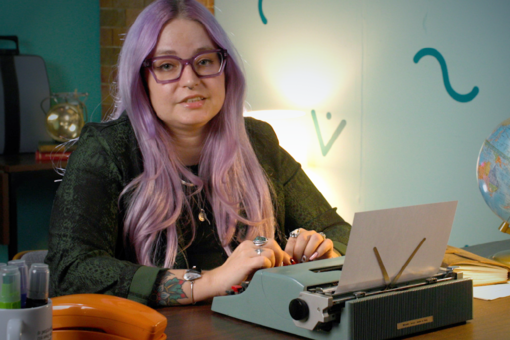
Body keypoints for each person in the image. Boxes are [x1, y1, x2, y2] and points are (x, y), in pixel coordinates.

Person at [45, 0, 351, 307]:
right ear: (141, 80)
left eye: (204, 61)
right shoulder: (107, 150)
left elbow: (341, 233)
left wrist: (327, 254)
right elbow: (70, 271)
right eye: (167, 66)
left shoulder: (258, 141)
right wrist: (209, 282)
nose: (190, 80)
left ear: (225, 69)